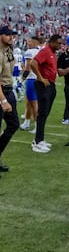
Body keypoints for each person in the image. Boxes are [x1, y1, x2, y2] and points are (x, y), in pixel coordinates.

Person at [30, 34, 63, 153]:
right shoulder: (45, 51)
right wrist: (41, 78)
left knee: (45, 113)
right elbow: (33, 63)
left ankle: (40, 139)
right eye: (59, 43)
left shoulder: (52, 52)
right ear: (52, 42)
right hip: (44, 85)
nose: (60, 45)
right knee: (42, 113)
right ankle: (37, 141)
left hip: (50, 84)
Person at [0, 26, 21, 175]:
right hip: (1, 93)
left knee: (13, 125)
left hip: (9, 90)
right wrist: (3, 101)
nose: (11, 38)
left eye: (12, 35)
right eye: (8, 35)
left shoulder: (8, 51)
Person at [20, 36, 43, 132]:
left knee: (34, 103)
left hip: (31, 79)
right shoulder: (40, 51)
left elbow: (28, 69)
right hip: (37, 79)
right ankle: (27, 122)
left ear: (34, 43)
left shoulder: (30, 52)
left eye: (30, 41)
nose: (28, 43)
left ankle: (37, 126)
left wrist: (22, 79)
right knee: (29, 102)